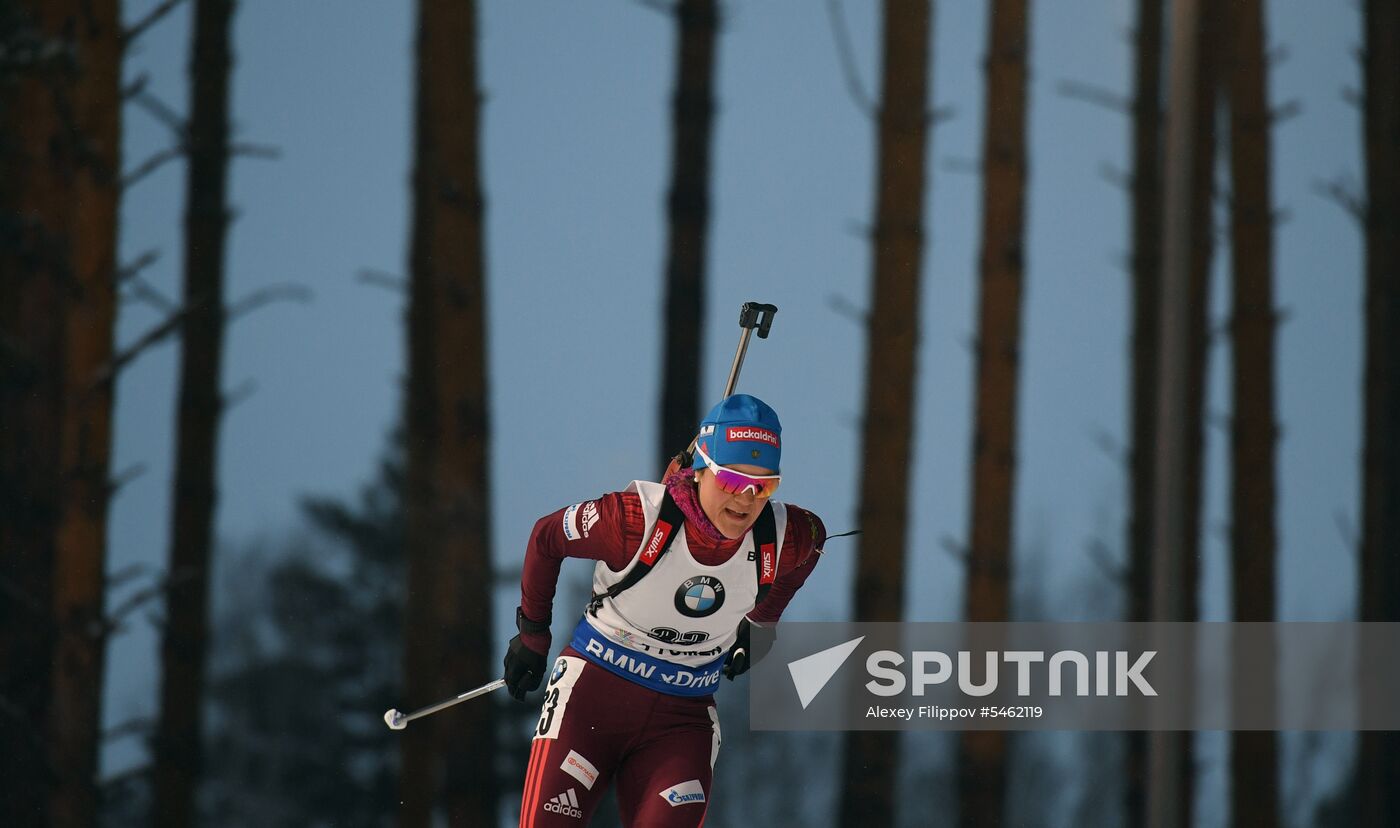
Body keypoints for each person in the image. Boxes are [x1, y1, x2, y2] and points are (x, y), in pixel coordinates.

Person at [503, 394, 827, 827]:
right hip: (592, 699)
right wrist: (532, 634)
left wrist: (760, 622)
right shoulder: (635, 520)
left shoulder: (784, 537)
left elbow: (815, 543)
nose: (746, 499)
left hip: (681, 722)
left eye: (763, 485)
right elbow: (547, 537)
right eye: (731, 480)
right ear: (701, 469)